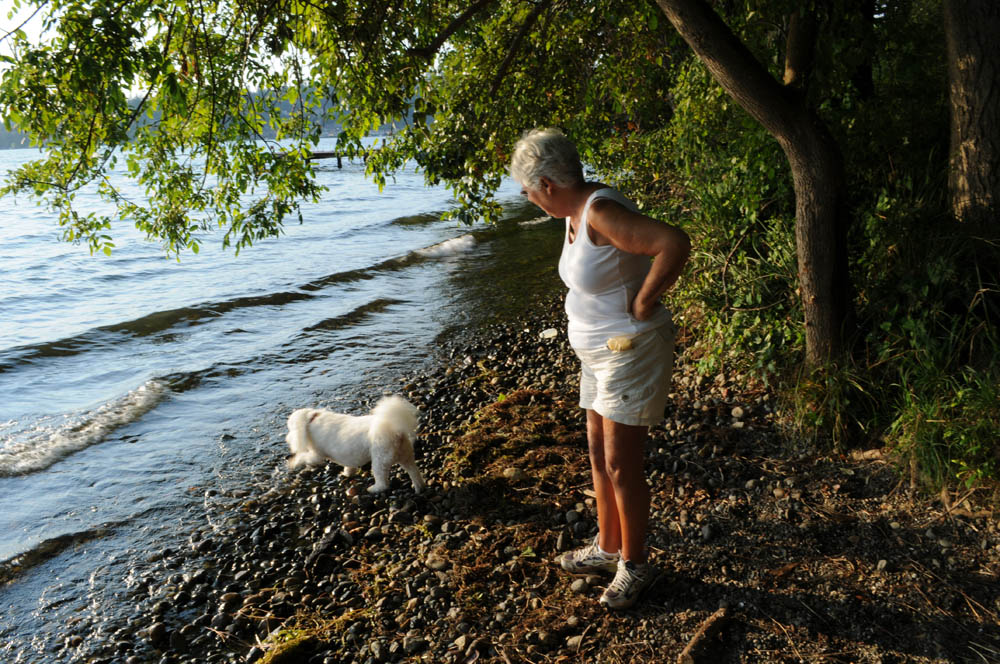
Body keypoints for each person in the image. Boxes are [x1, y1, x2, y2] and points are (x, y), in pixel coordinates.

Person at [510, 128, 691, 609]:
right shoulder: (572, 212)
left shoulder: (602, 212)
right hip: (597, 354)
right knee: (595, 452)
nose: (528, 200)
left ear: (547, 183)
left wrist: (645, 302)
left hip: (628, 352)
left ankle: (636, 564)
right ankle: (607, 548)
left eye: (527, 191)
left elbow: (672, 242)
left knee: (620, 464)